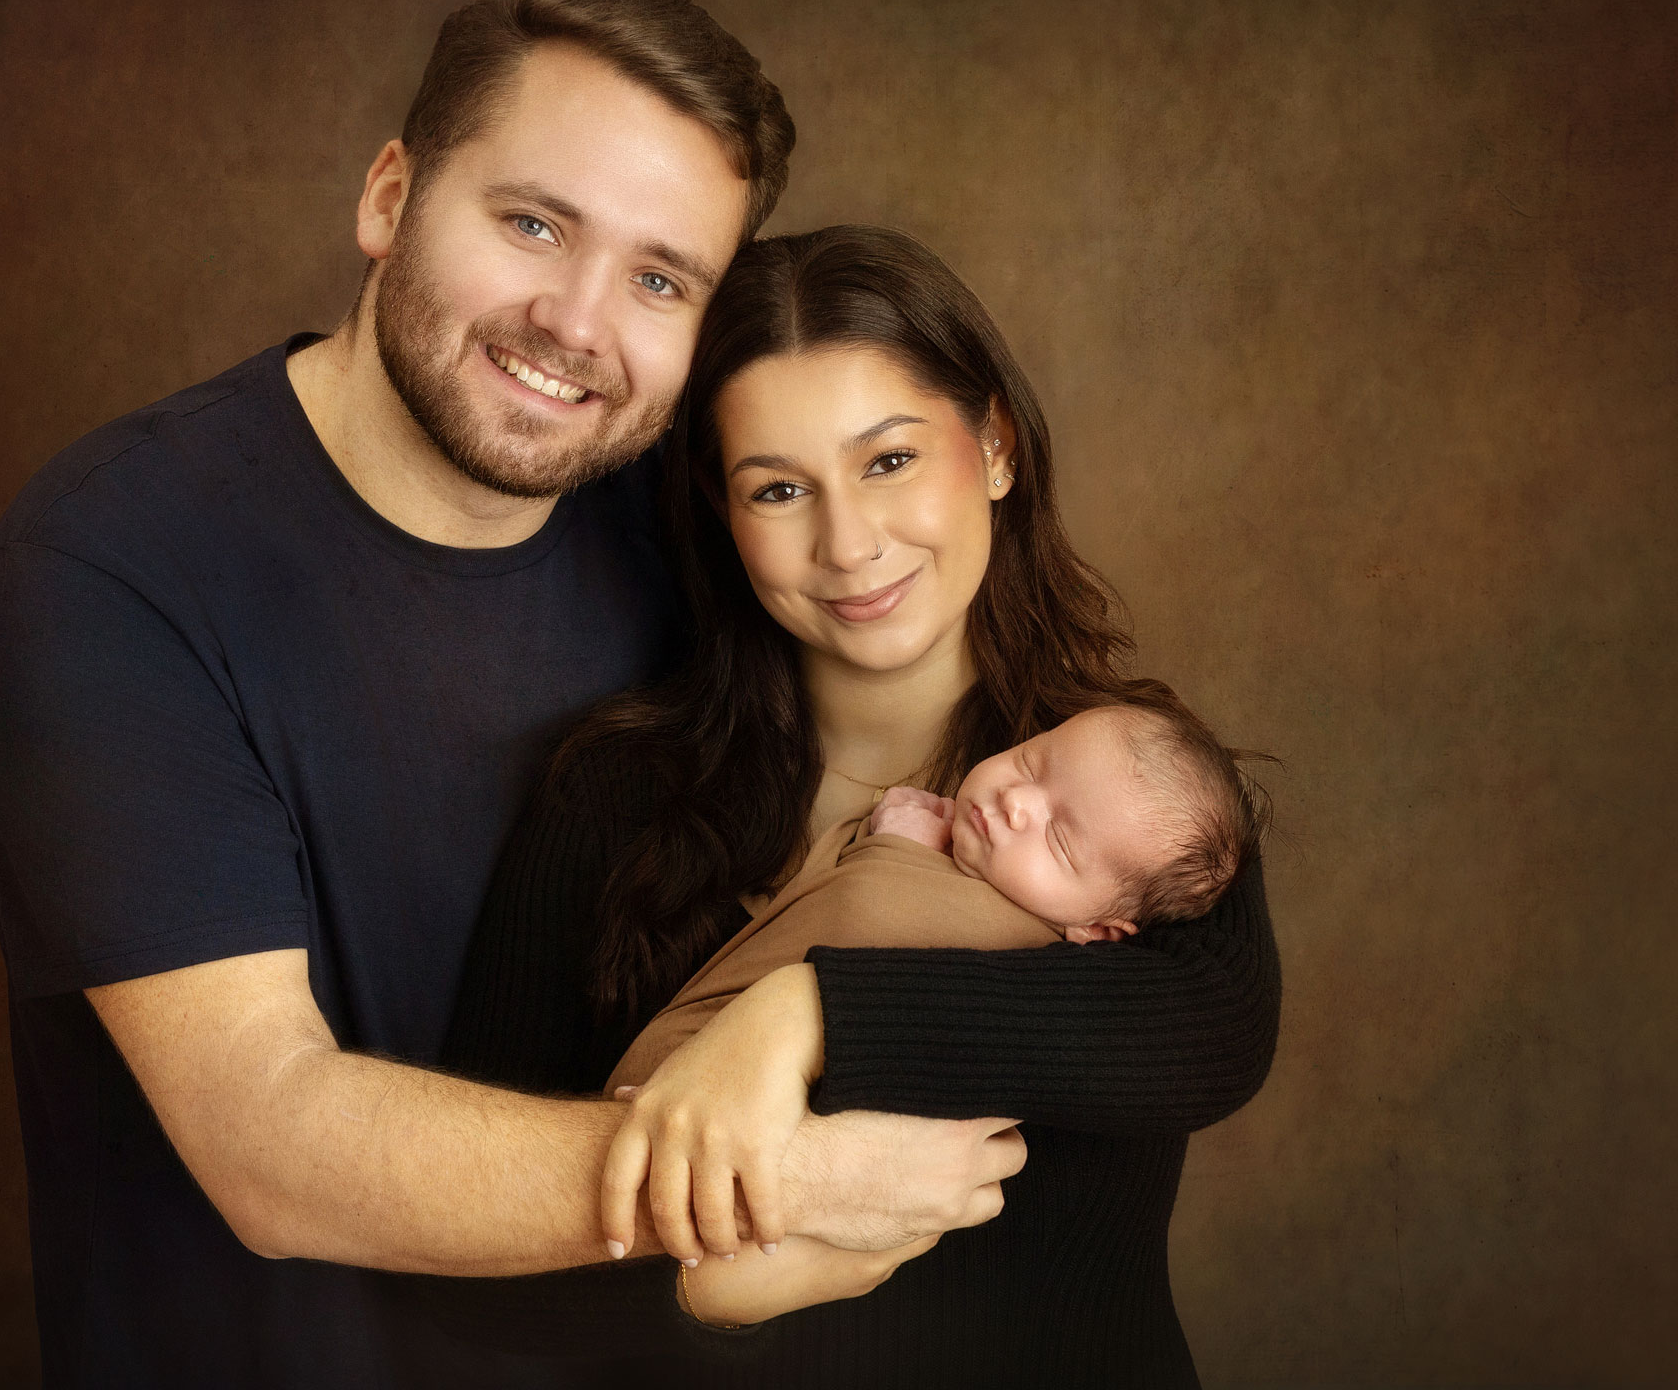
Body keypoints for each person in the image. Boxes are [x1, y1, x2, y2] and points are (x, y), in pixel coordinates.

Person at [0, 0, 1028, 1389]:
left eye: (661, 279)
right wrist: (774, 1180)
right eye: (533, 223)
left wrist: (811, 1021)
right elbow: (269, 1141)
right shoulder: (105, 572)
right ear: (390, 196)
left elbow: (968, 835)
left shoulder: (699, 532)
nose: (575, 323)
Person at [440, 226, 1284, 1385]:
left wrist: (801, 1013)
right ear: (723, 516)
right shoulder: (611, 795)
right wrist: (712, 1292)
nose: (846, 544)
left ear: (992, 447)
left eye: (887, 461)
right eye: (778, 489)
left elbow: (1214, 1035)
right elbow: (460, 1241)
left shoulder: (1123, 784)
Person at [606, 697, 1270, 1094]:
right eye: (1032, 762)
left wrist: (892, 848)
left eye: (1060, 841)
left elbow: (866, 918)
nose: (1015, 803)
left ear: (1098, 932)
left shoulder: (1022, 960)